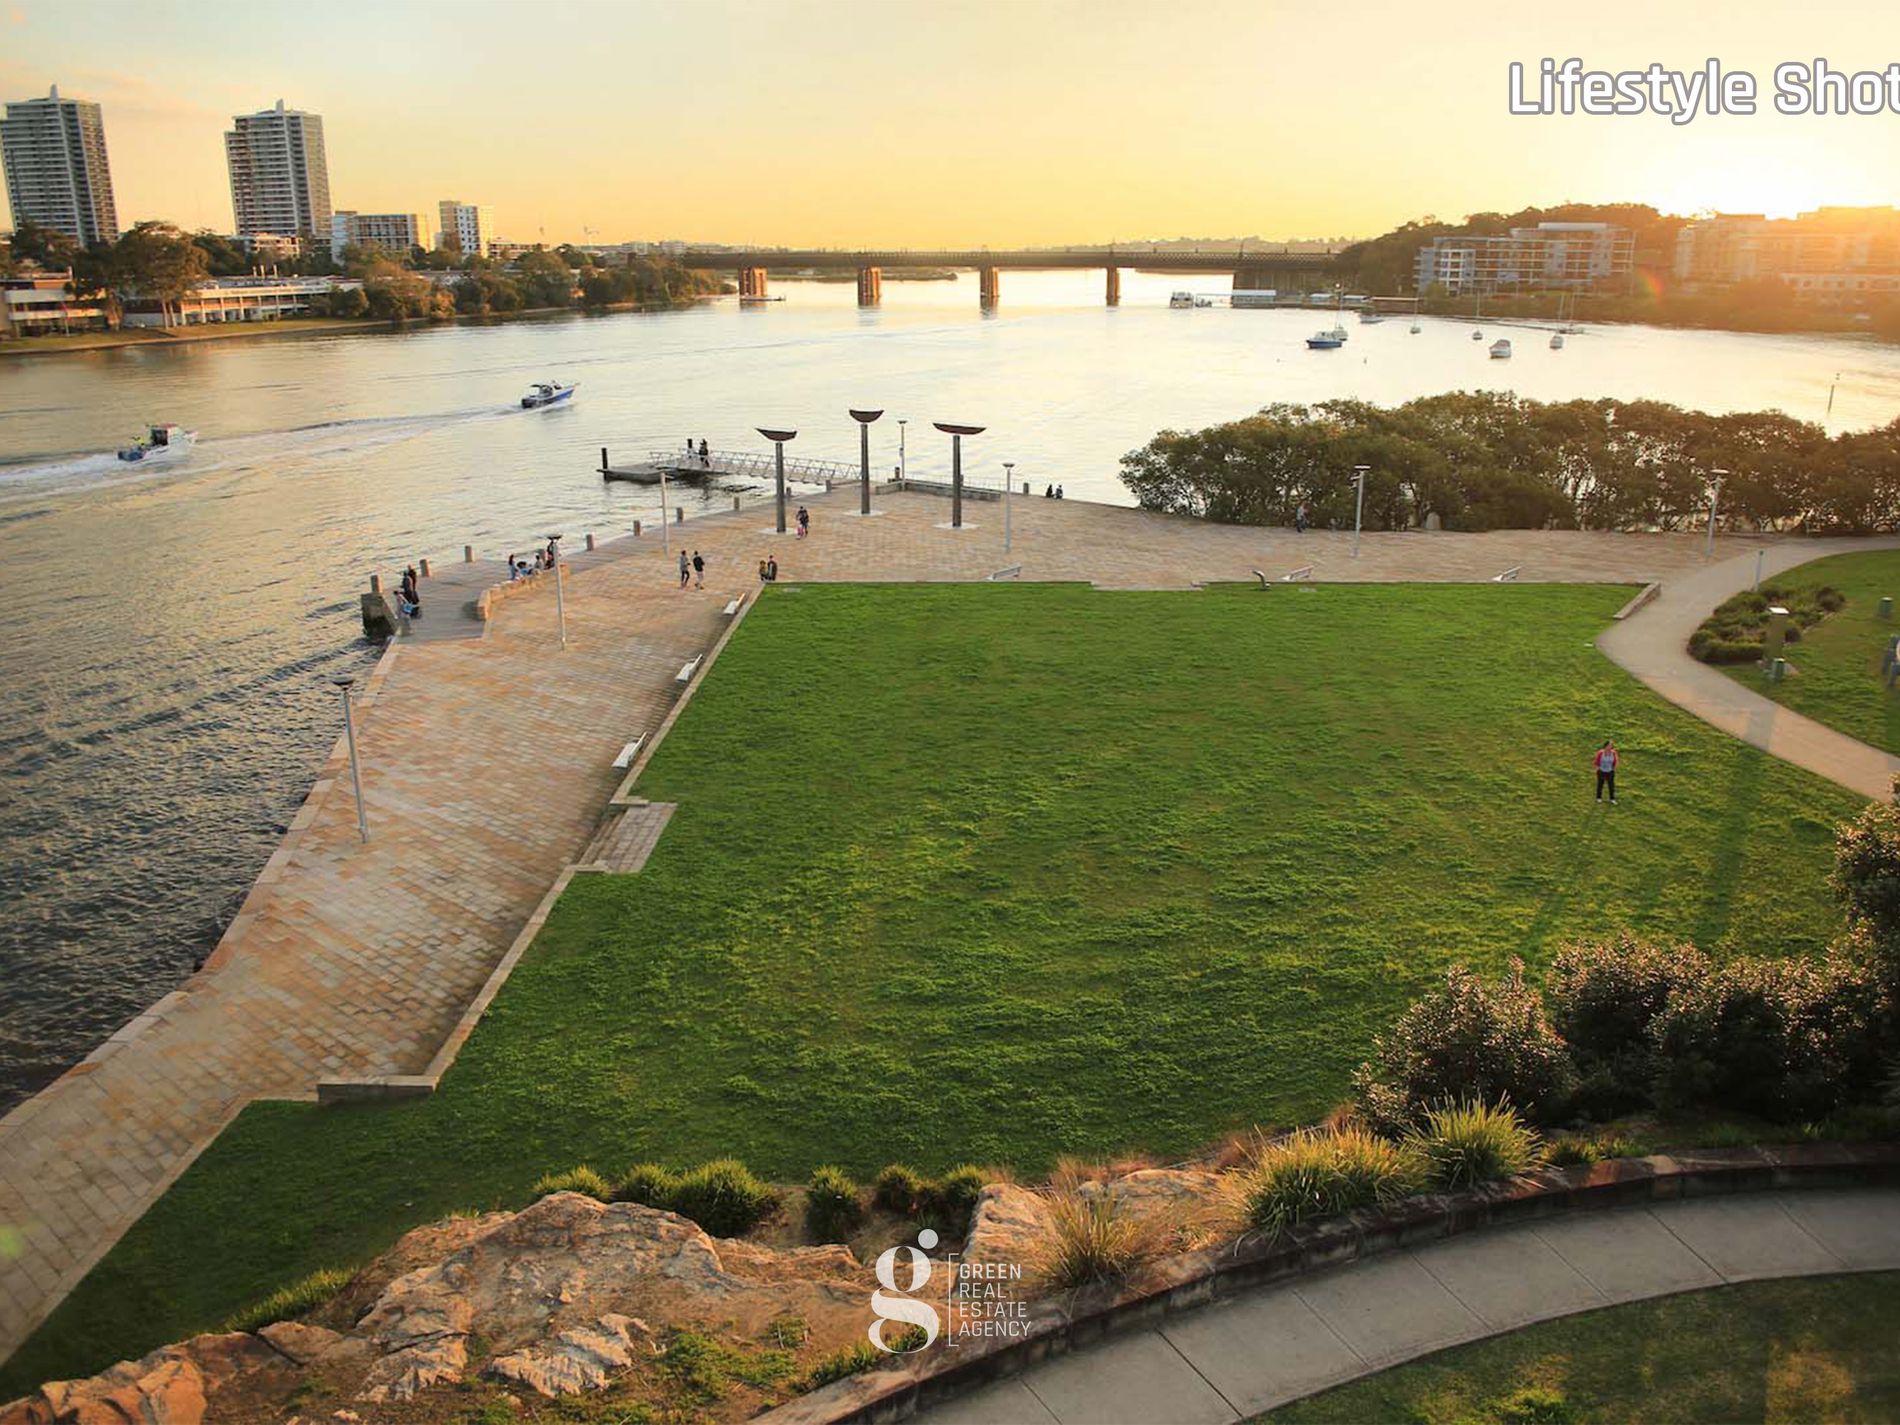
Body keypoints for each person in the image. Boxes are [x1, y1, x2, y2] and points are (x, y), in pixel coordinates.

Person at [1594, 739, 1619, 804]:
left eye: (1611, 745)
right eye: (1609, 745)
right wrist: (1597, 770)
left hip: (1610, 771)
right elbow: (1597, 761)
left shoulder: (1613, 753)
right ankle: (1599, 797)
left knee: (1611, 785)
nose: (1610, 747)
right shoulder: (1600, 753)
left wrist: (1613, 769)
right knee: (1600, 784)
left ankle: (1612, 799)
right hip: (1601, 770)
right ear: (1606, 746)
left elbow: (1615, 761)